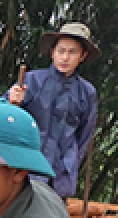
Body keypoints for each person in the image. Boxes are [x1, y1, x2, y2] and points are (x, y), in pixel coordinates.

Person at [7, 21, 100, 199]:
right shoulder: (31, 81)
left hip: (62, 171)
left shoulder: (87, 92)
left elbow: (85, 135)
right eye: (61, 51)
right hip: (29, 166)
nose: (65, 57)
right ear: (52, 53)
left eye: (72, 52)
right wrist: (12, 101)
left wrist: (71, 162)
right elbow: (4, 116)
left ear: (83, 56)